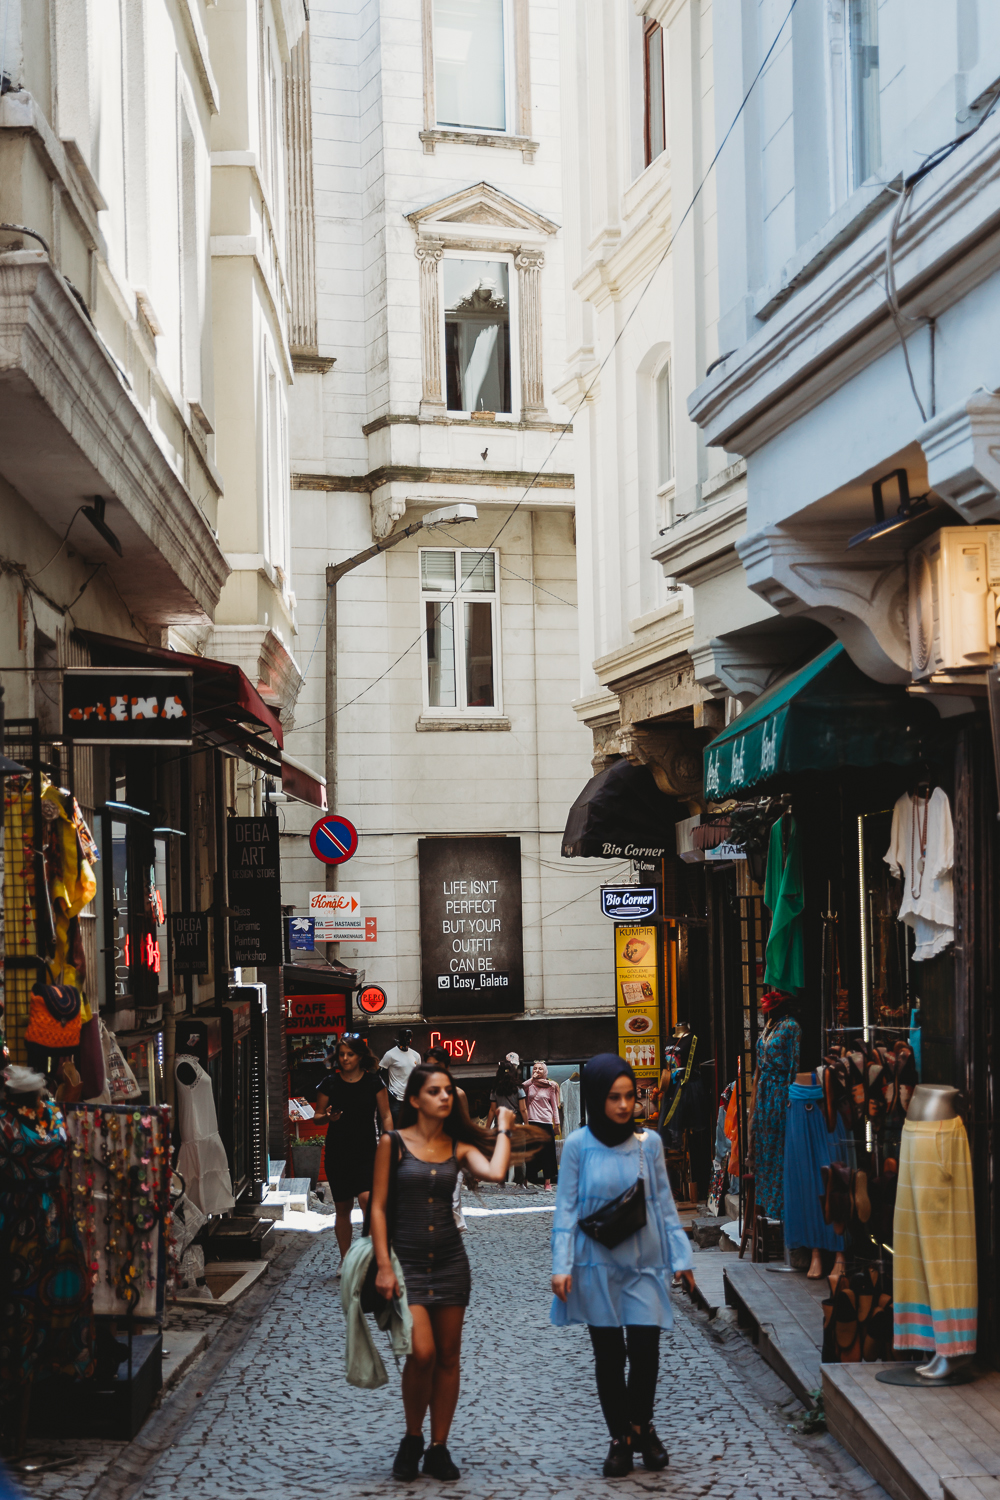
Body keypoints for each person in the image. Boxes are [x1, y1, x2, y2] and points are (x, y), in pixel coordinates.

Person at [370, 1064, 541, 1482]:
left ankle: (438, 1446)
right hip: (406, 1264)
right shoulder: (392, 1144)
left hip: (450, 1262)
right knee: (421, 1353)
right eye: (434, 1091)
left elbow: (496, 1172)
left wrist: (503, 1125)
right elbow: (375, 1206)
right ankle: (412, 1437)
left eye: (448, 1091)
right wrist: (384, 1266)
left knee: (448, 1357)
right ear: (414, 1099)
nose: (445, 1097)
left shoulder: (457, 1147)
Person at [551, 1054, 694, 1479]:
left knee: (646, 1352)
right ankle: (620, 1438)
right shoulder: (577, 1146)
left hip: (644, 1263)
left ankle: (642, 1425)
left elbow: (664, 1204)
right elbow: (566, 1209)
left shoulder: (648, 1143)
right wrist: (562, 1266)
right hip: (596, 1265)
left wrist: (681, 1257)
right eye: (613, 1097)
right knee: (609, 1356)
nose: (622, 1105)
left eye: (630, 1096)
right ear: (597, 1097)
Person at [314, 1035, 392, 1271]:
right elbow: (317, 1117)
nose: (345, 1058)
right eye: (342, 1054)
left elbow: (386, 1115)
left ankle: (372, 1252)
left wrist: (390, 1141)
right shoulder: (330, 1083)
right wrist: (329, 1117)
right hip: (338, 1152)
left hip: (368, 1150)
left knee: (368, 1200)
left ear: (360, 1057)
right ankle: (346, 1259)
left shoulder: (374, 1083)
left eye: (350, 1054)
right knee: (343, 1207)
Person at [486, 1054, 528, 1185]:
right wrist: (527, 1124)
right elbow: (523, 1109)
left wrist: (487, 1128)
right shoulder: (519, 1089)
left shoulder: (495, 1090)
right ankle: (520, 1183)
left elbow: (492, 1110)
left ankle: (501, 1182)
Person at [522, 1060, 561, 1189]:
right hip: (532, 1122)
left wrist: (557, 1123)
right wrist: (532, 1079)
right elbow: (521, 1088)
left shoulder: (551, 1086)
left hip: (545, 1122)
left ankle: (547, 1182)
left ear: (544, 1071)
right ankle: (527, 1180)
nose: (537, 1071)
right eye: (535, 1068)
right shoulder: (529, 1086)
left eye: (540, 1069)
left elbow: (554, 1107)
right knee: (531, 1152)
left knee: (547, 1154)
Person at [379, 1028, 422, 1125]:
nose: (408, 1040)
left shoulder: (416, 1055)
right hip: (396, 1099)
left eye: (410, 1037)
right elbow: (379, 1074)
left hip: (411, 1098)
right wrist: (388, 1091)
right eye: (406, 1037)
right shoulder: (390, 1054)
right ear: (400, 1038)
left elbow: (419, 1075)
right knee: (397, 1126)